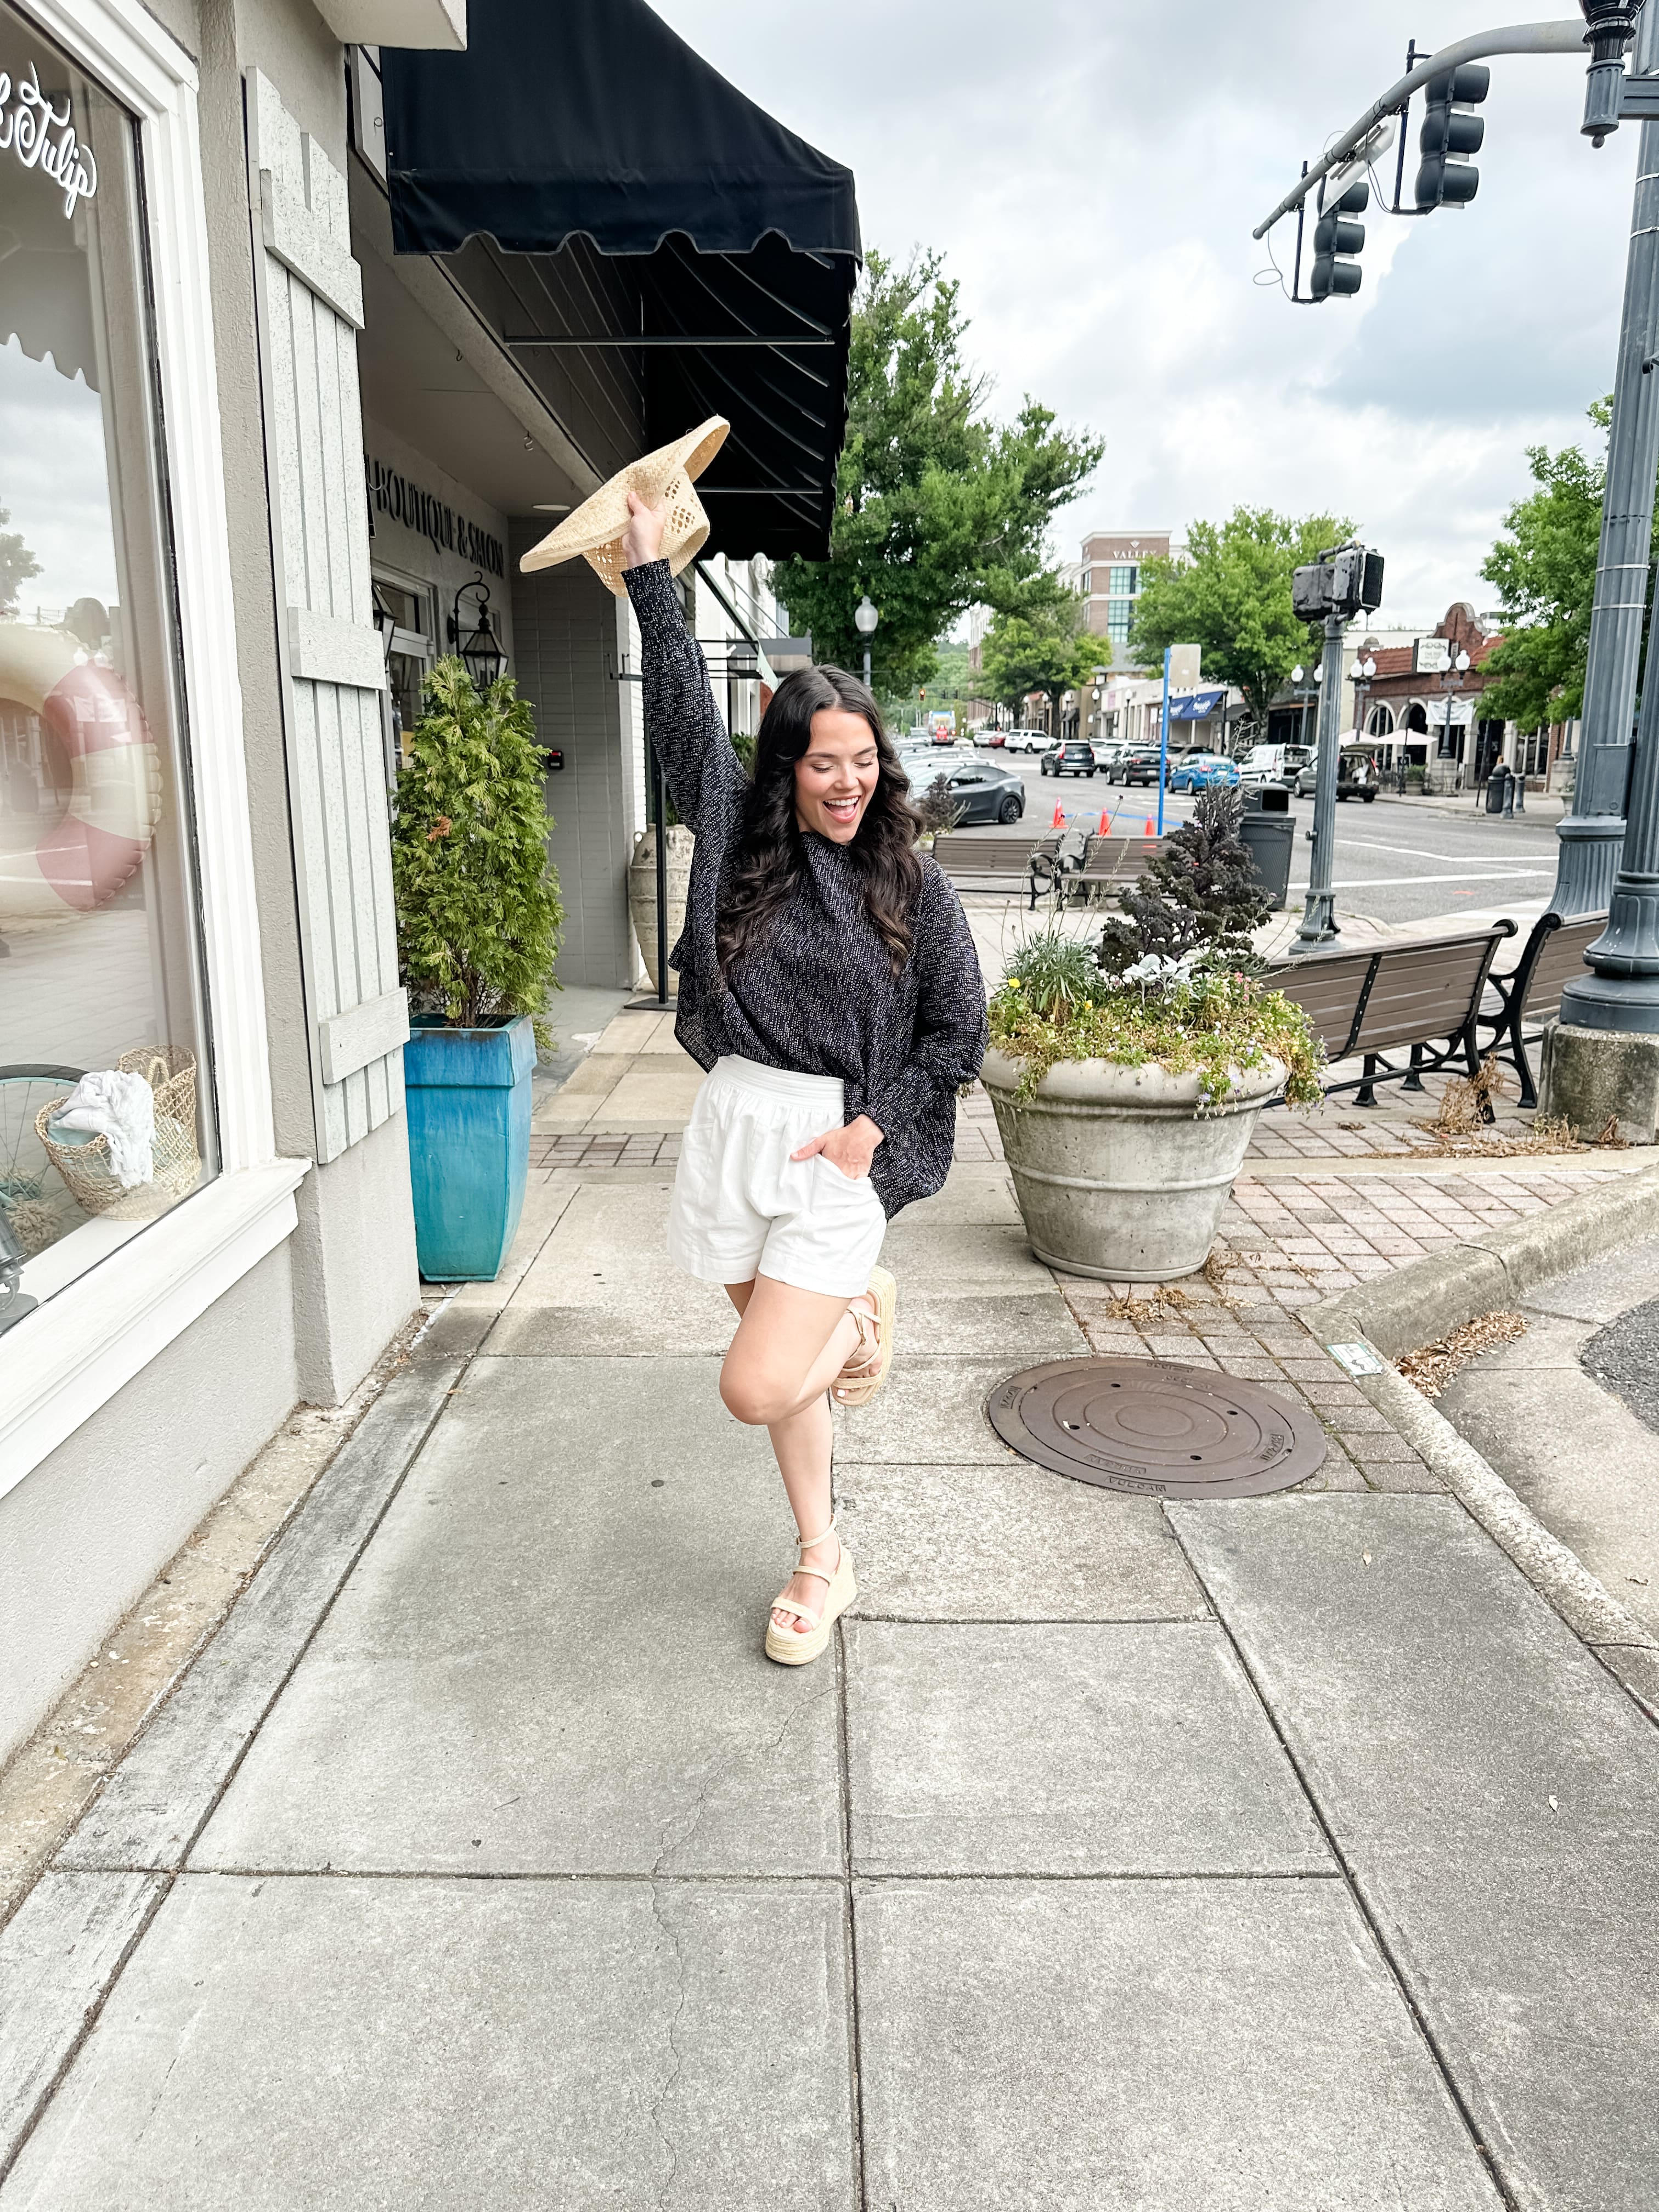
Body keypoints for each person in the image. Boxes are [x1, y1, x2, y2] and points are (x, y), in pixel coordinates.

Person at [622, 492, 986, 1666]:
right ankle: (822, 1555)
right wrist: (647, 576)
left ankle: (859, 1317)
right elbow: (683, 722)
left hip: (836, 1148)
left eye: (865, 762)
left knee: (756, 1382)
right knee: (788, 1393)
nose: (847, 784)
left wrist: (874, 1132)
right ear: (787, 769)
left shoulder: (913, 889)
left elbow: (957, 1033)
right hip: (737, 1125)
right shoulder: (740, 843)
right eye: (825, 764)